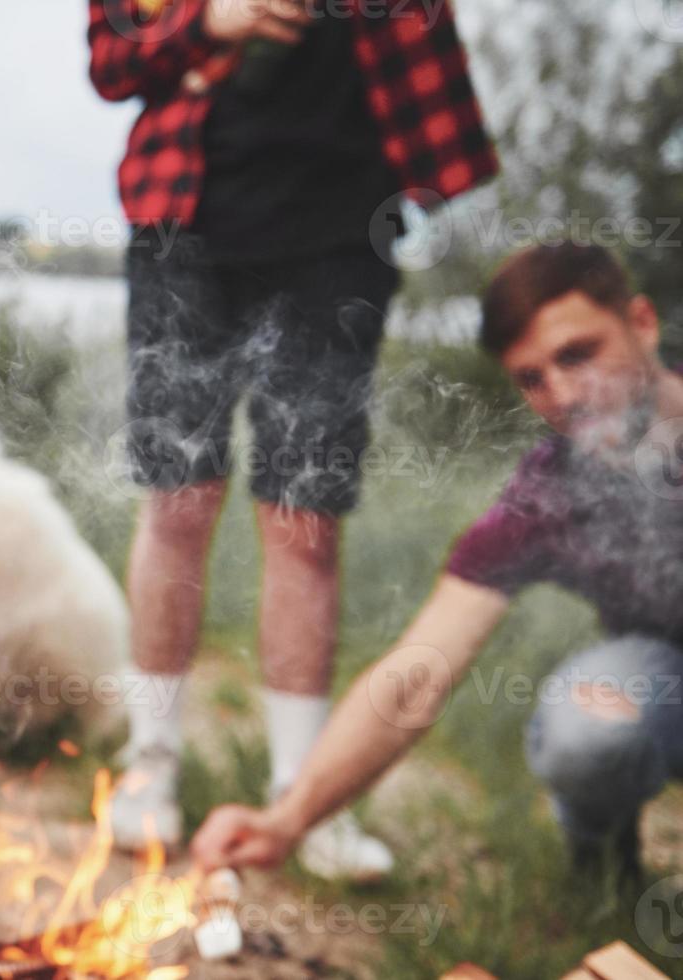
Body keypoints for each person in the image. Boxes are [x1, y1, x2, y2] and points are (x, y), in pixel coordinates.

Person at [86, 0, 498, 876]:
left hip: (339, 231)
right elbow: (110, 62)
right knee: (179, 499)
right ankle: (149, 769)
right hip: (183, 223)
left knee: (304, 519)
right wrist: (212, 24)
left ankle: (297, 797)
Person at [192, 242, 683, 889]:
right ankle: (602, 870)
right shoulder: (549, 494)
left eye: (578, 354)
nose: (561, 394)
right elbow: (417, 673)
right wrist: (287, 821)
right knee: (587, 731)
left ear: (642, 323)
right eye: (532, 378)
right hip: (661, 665)